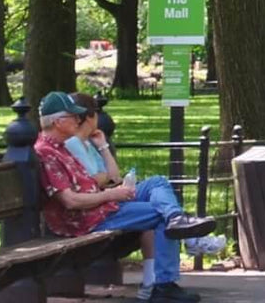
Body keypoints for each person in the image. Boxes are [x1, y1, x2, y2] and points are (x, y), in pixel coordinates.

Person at [35, 91, 214, 302]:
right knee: (159, 214)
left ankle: (176, 222)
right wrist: (112, 193)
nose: (78, 120)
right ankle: (163, 285)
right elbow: (71, 201)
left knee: (159, 192)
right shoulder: (47, 152)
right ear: (58, 122)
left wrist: (112, 192)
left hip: (99, 207)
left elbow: (104, 180)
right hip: (85, 218)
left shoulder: (61, 147)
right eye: (74, 116)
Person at [65, 94, 226, 257]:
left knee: (158, 182)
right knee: (161, 212)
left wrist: (103, 146)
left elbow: (114, 177)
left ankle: (178, 220)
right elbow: (96, 180)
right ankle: (187, 242)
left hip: (109, 197)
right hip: (100, 206)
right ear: (90, 117)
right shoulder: (73, 143)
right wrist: (107, 181)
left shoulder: (88, 142)